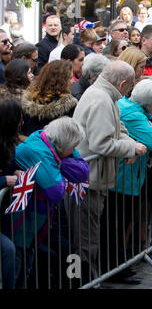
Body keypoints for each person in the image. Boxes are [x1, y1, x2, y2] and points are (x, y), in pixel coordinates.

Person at [72, 60, 147, 285]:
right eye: (130, 85)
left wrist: (130, 143)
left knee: (90, 237)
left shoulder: (106, 95)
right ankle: (82, 282)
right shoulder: (101, 99)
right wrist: (130, 148)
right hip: (89, 181)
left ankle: (89, 279)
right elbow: (101, 144)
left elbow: (119, 129)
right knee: (85, 240)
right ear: (122, 83)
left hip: (94, 179)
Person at [12, 116, 89, 289]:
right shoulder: (36, 148)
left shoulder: (51, 145)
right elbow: (56, 191)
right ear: (63, 146)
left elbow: (82, 172)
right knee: (18, 272)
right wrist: (60, 163)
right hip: (21, 224)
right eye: (73, 147)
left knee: (34, 263)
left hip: (39, 222)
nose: (76, 150)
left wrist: (57, 163)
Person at [103, 79, 152, 285]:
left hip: (125, 176)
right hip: (123, 178)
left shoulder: (125, 106)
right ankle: (118, 267)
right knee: (119, 224)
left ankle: (120, 264)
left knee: (120, 223)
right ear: (149, 103)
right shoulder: (135, 114)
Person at [0, 99, 23, 289]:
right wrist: (5, 180)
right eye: (19, 119)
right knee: (8, 249)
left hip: (4, 212)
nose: (22, 123)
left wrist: (14, 171)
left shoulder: (9, 143)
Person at [21, 60, 77, 136]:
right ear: (60, 81)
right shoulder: (69, 106)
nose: (73, 81)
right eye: (70, 78)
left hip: (32, 145)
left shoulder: (29, 101)